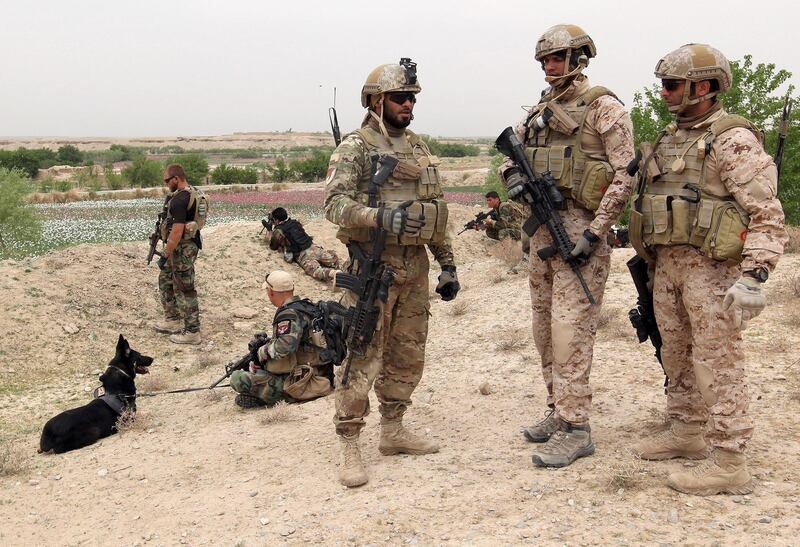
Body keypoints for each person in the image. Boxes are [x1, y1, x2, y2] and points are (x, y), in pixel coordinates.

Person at [628, 44, 787, 495]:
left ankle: (731, 460)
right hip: (668, 266)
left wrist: (755, 273)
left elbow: (767, 214)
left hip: (712, 271)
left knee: (717, 364)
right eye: (662, 84)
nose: (663, 93)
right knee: (674, 354)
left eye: (672, 85)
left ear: (705, 86)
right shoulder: (668, 137)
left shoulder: (731, 140)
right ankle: (686, 432)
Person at [499, 24, 635, 467]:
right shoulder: (538, 110)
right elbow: (507, 157)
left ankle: (578, 427)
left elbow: (625, 174)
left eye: (556, 58)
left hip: (581, 233)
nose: (548, 67)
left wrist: (596, 232)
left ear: (579, 58)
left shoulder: (604, 108)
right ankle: (558, 410)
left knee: (570, 332)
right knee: (543, 329)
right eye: (543, 61)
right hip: (542, 234)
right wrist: (513, 178)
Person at [324, 57, 460, 487]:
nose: (408, 105)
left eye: (411, 98)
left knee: (407, 352)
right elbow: (332, 204)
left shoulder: (418, 148)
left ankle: (394, 429)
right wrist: (379, 218)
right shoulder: (356, 147)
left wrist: (447, 263)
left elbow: (433, 210)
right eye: (400, 98)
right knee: (363, 353)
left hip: (415, 268)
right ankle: (349, 442)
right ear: (376, 101)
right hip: (373, 267)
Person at [229, 270, 334, 408]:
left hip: (302, 382)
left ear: (271, 292)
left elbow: (285, 347)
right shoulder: (307, 308)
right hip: (322, 375)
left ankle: (276, 397)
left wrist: (261, 353)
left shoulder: (288, 315)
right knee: (258, 371)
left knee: (237, 378)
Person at [152, 164, 204, 345]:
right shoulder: (192, 193)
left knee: (184, 287)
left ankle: (192, 331)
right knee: (165, 279)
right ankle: (172, 319)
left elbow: (176, 230)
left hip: (182, 248)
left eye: (167, 180)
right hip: (181, 247)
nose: (166, 184)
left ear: (176, 178)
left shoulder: (180, 199)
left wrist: (165, 254)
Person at [266, 207, 341, 282]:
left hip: (302, 255)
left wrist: (269, 230)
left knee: (316, 271)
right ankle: (340, 270)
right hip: (313, 247)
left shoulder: (278, 231)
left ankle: (333, 274)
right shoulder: (294, 223)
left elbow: (273, 246)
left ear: (276, 220)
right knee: (332, 260)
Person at [480, 190, 530, 273]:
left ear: (497, 199)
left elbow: (504, 224)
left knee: (502, 233)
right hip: (513, 229)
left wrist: (491, 221)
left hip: (522, 230)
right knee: (490, 231)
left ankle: (514, 255)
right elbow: (497, 224)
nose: (488, 202)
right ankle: (512, 250)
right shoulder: (495, 210)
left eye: (490, 200)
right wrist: (481, 226)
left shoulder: (504, 206)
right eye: (487, 200)